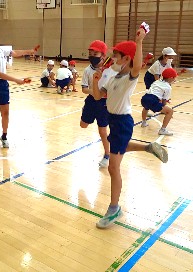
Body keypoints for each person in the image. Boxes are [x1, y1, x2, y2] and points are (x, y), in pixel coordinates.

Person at [92, 27, 168, 229]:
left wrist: (140, 42)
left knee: (113, 166)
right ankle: (148, 147)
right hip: (113, 121)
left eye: (116, 56)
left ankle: (114, 208)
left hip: (123, 121)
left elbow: (137, 66)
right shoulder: (113, 77)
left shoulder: (129, 77)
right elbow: (98, 96)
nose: (112, 59)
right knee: (118, 146)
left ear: (126, 59)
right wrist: (95, 80)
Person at [80, 40, 118, 168]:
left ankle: (107, 154)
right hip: (91, 100)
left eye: (95, 53)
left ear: (102, 55)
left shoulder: (111, 69)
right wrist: (97, 92)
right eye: (90, 53)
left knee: (102, 130)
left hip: (104, 103)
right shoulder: (87, 70)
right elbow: (84, 89)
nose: (91, 56)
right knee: (83, 125)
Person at [141, 67, 177, 135]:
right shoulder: (168, 87)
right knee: (170, 111)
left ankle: (143, 122)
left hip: (145, 98)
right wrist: (166, 111)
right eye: (174, 77)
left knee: (146, 107)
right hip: (152, 100)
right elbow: (164, 101)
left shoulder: (157, 81)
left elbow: (155, 93)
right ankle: (162, 130)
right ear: (171, 78)